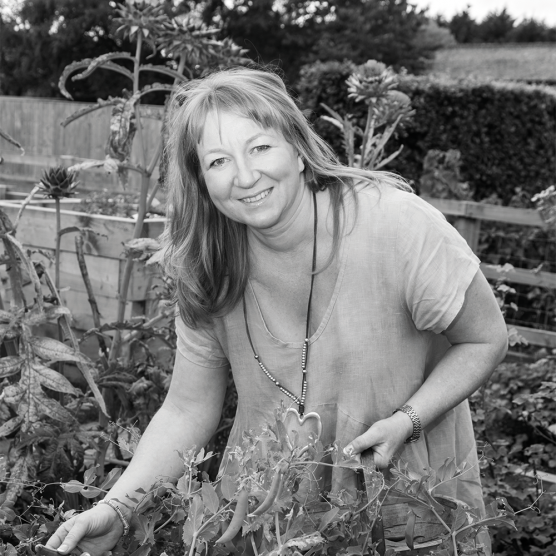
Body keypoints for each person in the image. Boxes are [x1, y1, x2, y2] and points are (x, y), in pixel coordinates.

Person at [45, 67, 508, 556]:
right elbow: (187, 408)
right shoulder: (208, 266)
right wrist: (118, 507)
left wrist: (408, 420)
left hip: (405, 505)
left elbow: (485, 339)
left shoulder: (398, 226)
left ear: (297, 148)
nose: (245, 177)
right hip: (271, 513)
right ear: (201, 181)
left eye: (260, 147)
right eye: (219, 161)